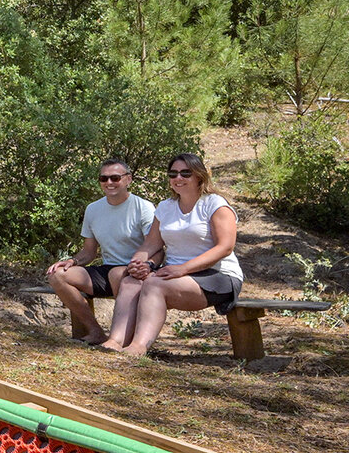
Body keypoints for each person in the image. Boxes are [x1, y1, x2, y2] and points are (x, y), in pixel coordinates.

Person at [100, 153, 243, 358]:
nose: (178, 178)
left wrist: (182, 269)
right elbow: (151, 243)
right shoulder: (166, 207)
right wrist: (138, 263)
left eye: (186, 173)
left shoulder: (215, 204)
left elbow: (225, 247)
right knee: (132, 280)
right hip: (175, 275)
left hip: (217, 276)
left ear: (199, 176)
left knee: (154, 284)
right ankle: (115, 341)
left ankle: (138, 347)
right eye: (173, 173)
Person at [45, 159, 156, 344]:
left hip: (136, 270)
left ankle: (123, 340)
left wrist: (147, 266)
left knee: (117, 274)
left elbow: (155, 246)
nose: (109, 183)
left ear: (128, 179)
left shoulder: (143, 207)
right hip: (107, 269)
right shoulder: (93, 209)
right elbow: (89, 252)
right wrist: (71, 261)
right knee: (57, 275)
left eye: (115, 178)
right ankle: (95, 332)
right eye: (104, 178)